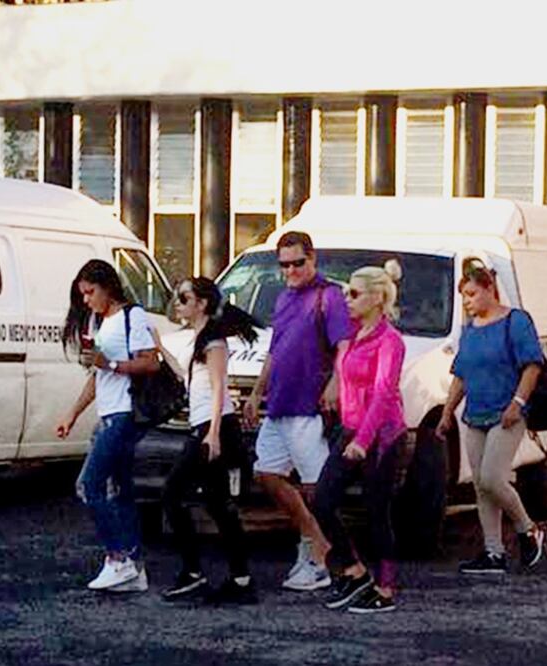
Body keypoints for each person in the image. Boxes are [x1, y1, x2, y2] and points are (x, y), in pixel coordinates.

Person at [243, 231, 353, 591]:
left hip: (309, 404)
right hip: (279, 403)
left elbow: (344, 345)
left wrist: (336, 382)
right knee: (266, 473)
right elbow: (275, 350)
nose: (290, 271)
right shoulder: (284, 299)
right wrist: (257, 392)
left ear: (312, 259)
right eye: (284, 265)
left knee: (313, 485)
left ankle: (322, 558)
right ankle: (312, 540)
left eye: (297, 263)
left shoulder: (330, 296)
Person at [437, 258, 547, 575]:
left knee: (493, 477)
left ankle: (528, 530)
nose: (468, 303)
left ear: (489, 289)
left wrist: (517, 402)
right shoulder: (470, 330)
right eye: (464, 297)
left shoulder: (516, 321)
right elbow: (460, 374)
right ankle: (493, 551)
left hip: (506, 414)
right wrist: (447, 413)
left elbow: (532, 365)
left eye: (472, 294)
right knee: (481, 486)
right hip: (476, 415)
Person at [57, 259, 160, 592]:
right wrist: (72, 414)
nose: (86, 300)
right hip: (109, 412)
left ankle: (118, 557)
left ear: (106, 286)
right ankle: (133, 565)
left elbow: (151, 362)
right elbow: (97, 376)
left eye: (90, 292)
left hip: (124, 413)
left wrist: (110, 363)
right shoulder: (100, 323)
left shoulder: (132, 316)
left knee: (89, 485)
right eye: (83, 295)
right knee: (120, 490)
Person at [157, 277, 259, 605]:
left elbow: (219, 388)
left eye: (184, 298)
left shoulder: (214, 341)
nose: (178, 303)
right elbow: (188, 378)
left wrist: (213, 434)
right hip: (206, 426)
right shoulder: (200, 339)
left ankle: (193, 573)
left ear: (201, 303)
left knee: (172, 493)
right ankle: (241, 579)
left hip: (214, 428)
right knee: (217, 505)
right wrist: (159, 346)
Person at [312, 262, 406, 614]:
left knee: (376, 510)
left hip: (381, 435)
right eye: (345, 293)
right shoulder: (352, 335)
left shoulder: (391, 341)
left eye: (354, 293)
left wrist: (363, 441)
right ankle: (354, 569)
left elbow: (383, 394)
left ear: (378, 297)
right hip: (350, 428)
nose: (347, 300)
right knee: (322, 500)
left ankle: (385, 587)